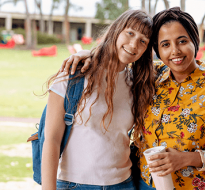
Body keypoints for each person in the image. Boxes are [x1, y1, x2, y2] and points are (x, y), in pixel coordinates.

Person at [60, 7, 205, 190]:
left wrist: (185, 159)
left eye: (182, 41)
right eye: (165, 44)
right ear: (157, 49)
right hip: (142, 183)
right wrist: (87, 55)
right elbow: (115, 64)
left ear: (194, 41)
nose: (175, 51)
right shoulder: (151, 77)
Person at [42, 9, 156, 190]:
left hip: (123, 184)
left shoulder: (138, 82)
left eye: (143, 41)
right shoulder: (74, 74)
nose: (134, 44)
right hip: (74, 184)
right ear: (116, 31)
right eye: (130, 33)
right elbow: (52, 140)